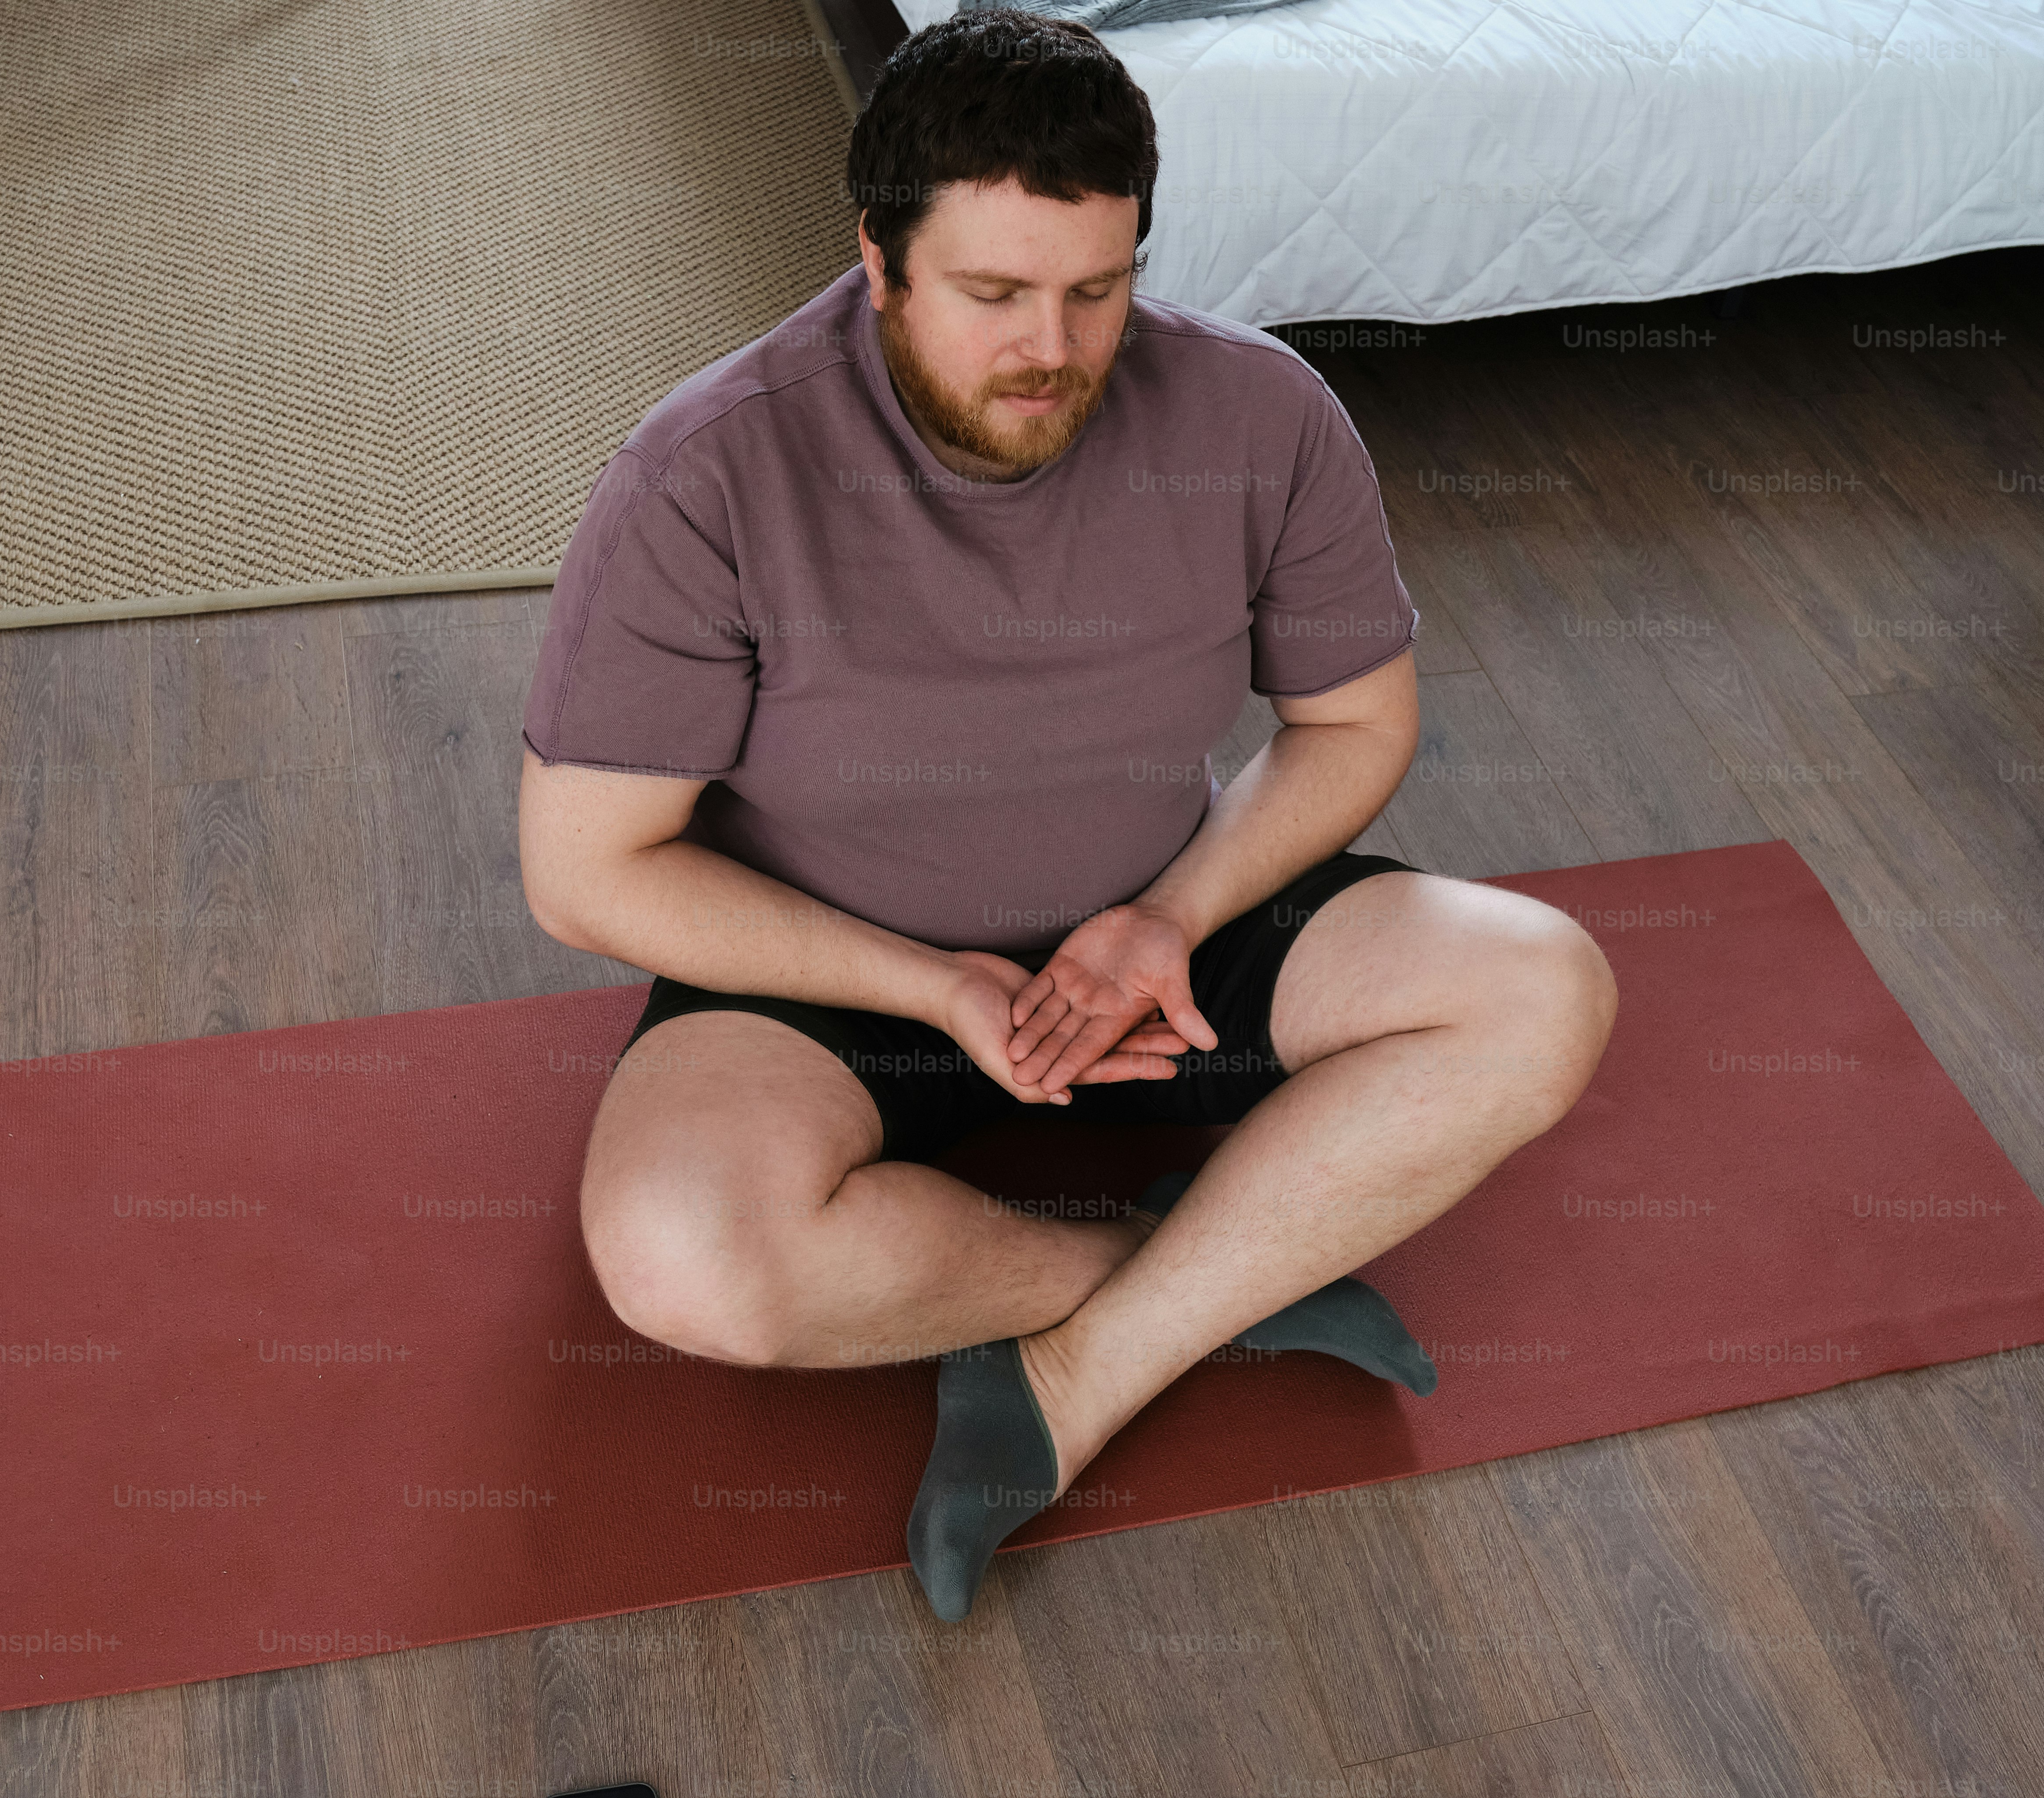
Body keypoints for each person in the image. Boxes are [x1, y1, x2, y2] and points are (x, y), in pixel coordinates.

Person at [517, 8, 1617, 1619]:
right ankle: (1232, 1279)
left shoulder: (1258, 416)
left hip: (1158, 933)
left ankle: (1082, 1371)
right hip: (837, 979)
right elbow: (584, 872)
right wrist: (938, 986)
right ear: (879, 262)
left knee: (1544, 985)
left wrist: (1174, 912)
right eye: (993, 295)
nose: (1053, 346)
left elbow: (1353, 723)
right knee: (691, 1261)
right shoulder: (705, 475)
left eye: (1095, 291)